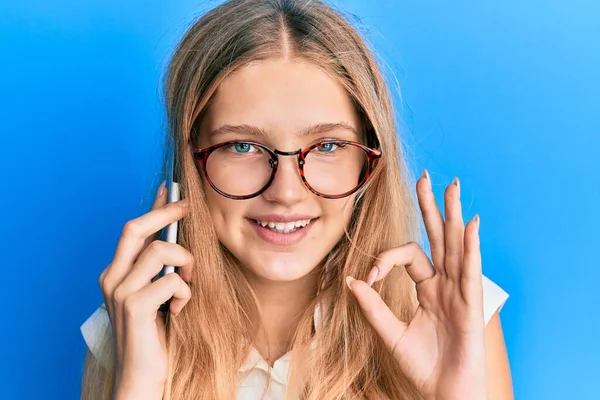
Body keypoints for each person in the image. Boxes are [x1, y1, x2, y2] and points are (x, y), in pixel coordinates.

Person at [80, 0, 513, 398]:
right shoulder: (132, 327)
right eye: (243, 146)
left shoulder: (457, 319)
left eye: (327, 146)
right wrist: (137, 387)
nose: (285, 192)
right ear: (191, 162)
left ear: (370, 160)